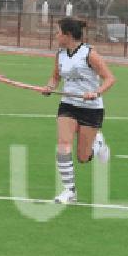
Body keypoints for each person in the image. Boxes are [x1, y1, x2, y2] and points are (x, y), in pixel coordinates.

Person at [42, 18, 116, 204]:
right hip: (68, 105)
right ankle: (70, 191)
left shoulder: (89, 54)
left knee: (83, 157)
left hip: (91, 109)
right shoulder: (60, 54)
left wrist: (95, 92)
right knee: (63, 144)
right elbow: (55, 77)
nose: (56, 35)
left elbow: (109, 79)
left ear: (68, 35)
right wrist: (49, 87)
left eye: (59, 32)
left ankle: (98, 144)